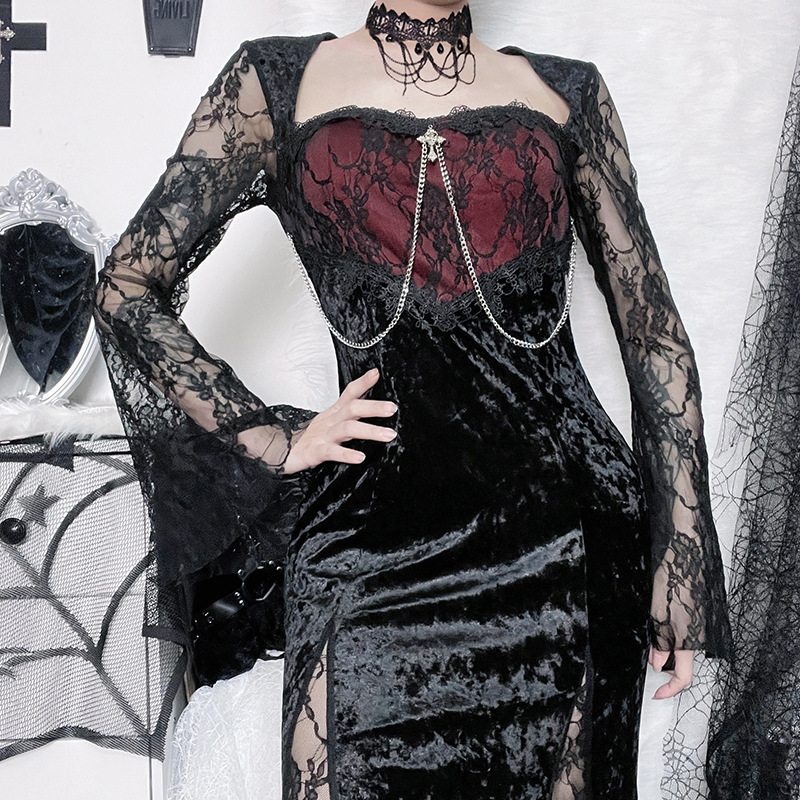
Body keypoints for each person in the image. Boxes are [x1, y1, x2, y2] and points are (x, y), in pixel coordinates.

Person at [94, 1, 732, 798]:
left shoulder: (566, 92)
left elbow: (654, 336)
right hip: (368, 537)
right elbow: (126, 286)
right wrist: (269, 435)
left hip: (564, 536)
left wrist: (682, 559)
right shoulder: (275, 82)